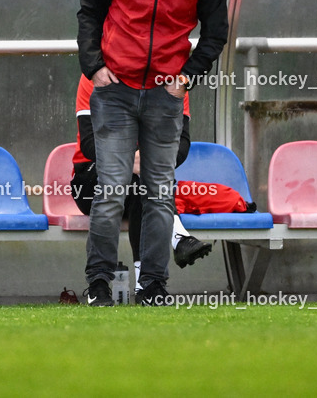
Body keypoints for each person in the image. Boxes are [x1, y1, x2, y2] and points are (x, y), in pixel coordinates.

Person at [77, 0, 228, 306]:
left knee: (161, 193)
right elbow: (88, 13)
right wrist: (95, 68)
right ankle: (99, 285)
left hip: (165, 97)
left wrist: (186, 78)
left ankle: (153, 287)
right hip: (115, 92)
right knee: (110, 191)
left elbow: (216, 33)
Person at [71, 74, 213, 294]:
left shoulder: (174, 77)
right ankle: (175, 242)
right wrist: (133, 159)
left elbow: (182, 144)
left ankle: (141, 285)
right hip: (91, 178)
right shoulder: (97, 73)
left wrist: (147, 160)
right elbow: (90, 144)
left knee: (143, 182)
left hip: (143, 181)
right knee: (141, 178)